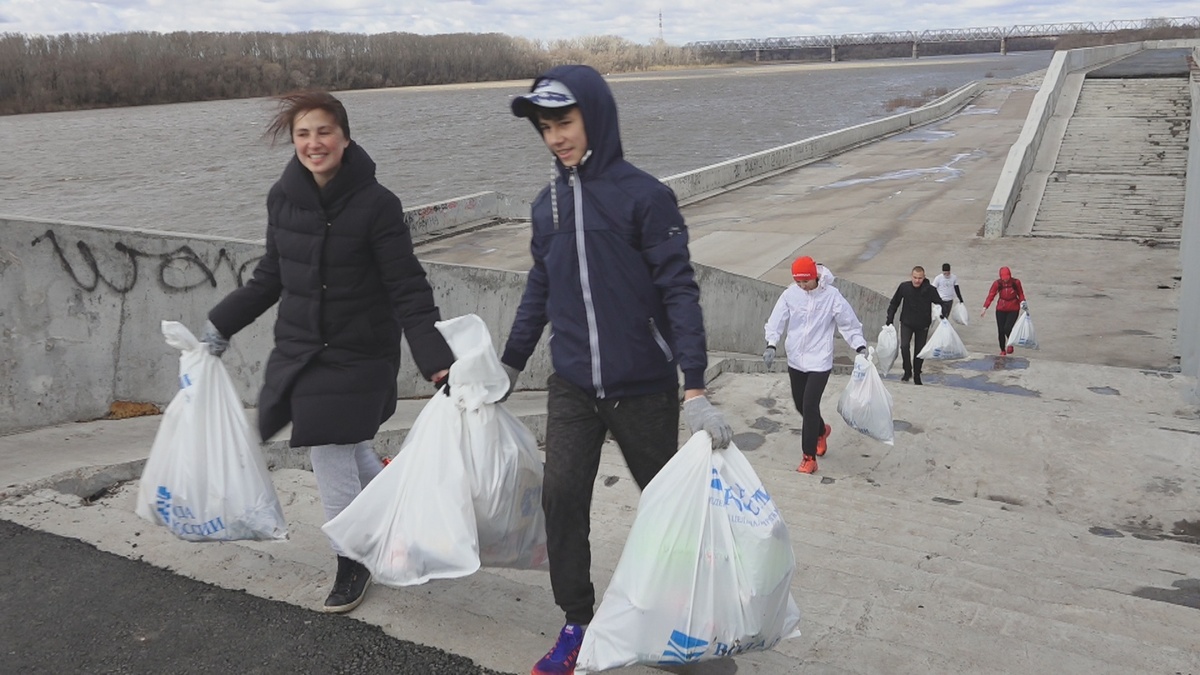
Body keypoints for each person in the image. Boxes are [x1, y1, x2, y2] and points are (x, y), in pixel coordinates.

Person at [498, 65, 734, 675]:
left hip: (644, 388)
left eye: (565, 122)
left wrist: (695, 386)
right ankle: (577, 622)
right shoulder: (545, 203)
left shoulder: (645, 196)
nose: (556, 137)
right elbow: (539, 290)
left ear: (595, 117)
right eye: (546, 127)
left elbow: (680, 291)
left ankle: (687, 625)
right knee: (561, 499)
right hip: (573, 384)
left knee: (667, 512)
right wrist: (506, 365)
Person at [199, 92, 453, 615]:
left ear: (345, 136)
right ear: (294, 142)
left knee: (331, 450)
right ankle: (404, 521)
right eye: (303, 134)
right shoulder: (282, 198)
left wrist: (435, 356)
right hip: (303, 350)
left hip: (362, 350)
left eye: (324, 132)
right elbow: (272, 274)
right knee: (351, 448)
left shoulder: (377, 204)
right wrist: (219, 324)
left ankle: (351, 556)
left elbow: (407, 284)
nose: (314, 143)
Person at [763, 256, 867, 475]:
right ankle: (821, 431)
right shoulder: (791, 294)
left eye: (806, 282)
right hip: (795, 360)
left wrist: (859, 346)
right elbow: (776, 320)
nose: (802, 286)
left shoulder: (831, 296)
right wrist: (771, 344)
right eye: (798, 282)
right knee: (800, 405)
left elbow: (848, 323)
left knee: (810, 405)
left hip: (819, 360)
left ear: (815, 277)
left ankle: (808, 458)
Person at [886, 265, 943, 385]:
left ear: (924, 277)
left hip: (923, 325)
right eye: (915, 277)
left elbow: (940, 304)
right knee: (904, 346)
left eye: (920, 278)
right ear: (911, 276)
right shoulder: (904, 287)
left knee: (920, 351)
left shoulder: (930, 290)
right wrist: (889, 319)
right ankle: (907, 370)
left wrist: (942, 315)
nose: (917, 280)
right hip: (907, 322)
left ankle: (917, 374)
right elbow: (894, 303)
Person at [981, 266, 1027, 356]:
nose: (1005, 280)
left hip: (1013, 308)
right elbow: (991, 295)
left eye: (1007, 278)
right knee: (1001, 330)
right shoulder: (997, 284)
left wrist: (1023, 303)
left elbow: (1020, 293)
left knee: (1008, 328)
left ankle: (1010, 342)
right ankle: (1002, 350)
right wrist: (985, 307)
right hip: (1001, 309)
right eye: (1004, 278)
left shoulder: (1016, 283)